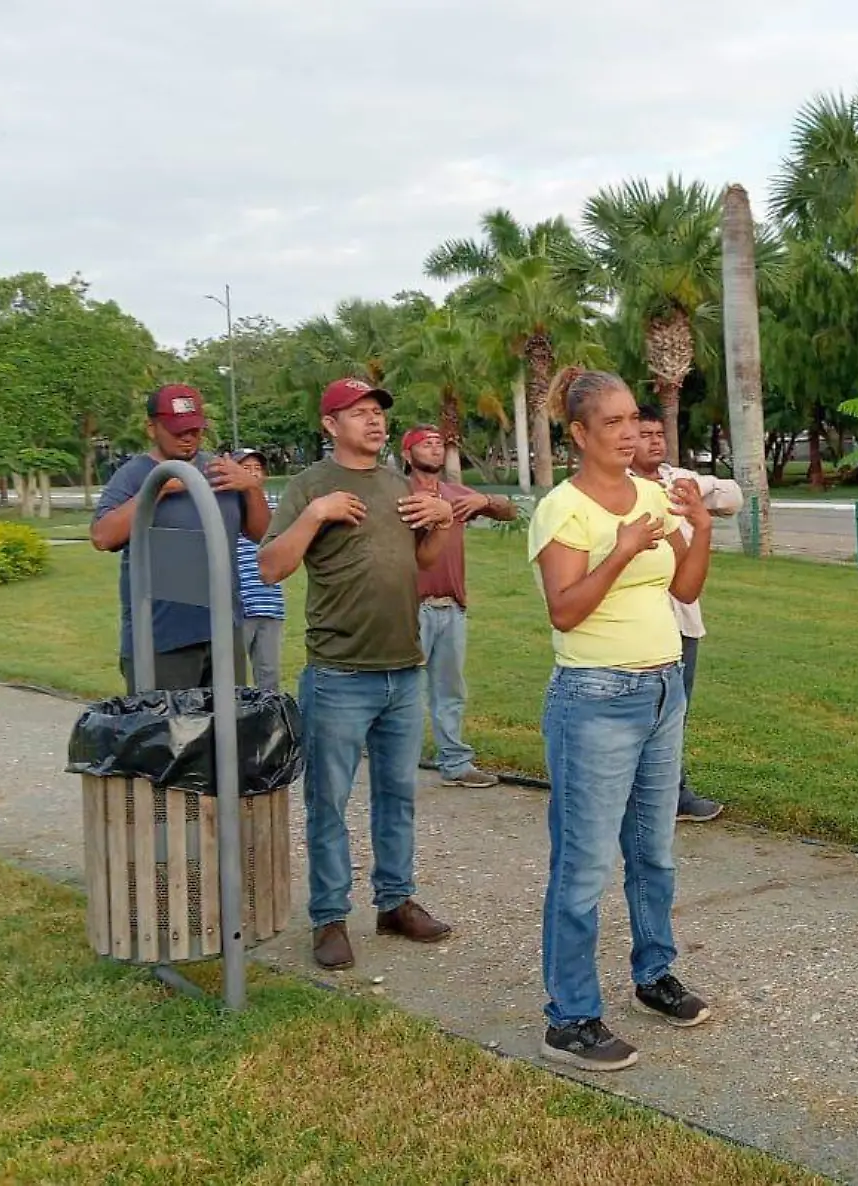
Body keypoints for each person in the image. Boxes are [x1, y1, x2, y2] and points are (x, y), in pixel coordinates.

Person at [529, 366, 715, 1072]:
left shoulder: (649, 495)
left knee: (655, 853)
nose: (630, 431)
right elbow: (566, 609)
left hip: (663, 690)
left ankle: (654, 974)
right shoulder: (564, 509)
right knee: (582, 866)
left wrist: (697, 527)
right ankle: (570, 1016)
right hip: (595, 699)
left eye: (634, 417)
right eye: (612, 422)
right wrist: (623, 549)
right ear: (578, 433)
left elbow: (684, 586)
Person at [258, 377, 460, 972]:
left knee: (398, 797)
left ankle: (394, 902)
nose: (375, 422)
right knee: (329, 802)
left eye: (378, 413)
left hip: (403, 669)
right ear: (330, 425)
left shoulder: (398, 484)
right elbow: (271, 566)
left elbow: (421, 562)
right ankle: (329, 918)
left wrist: (440, 521)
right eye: (358, 413)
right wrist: (316, 515)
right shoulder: (309, 486)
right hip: (339, 674)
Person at [91, 385, 267, 693]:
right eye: (177, 431)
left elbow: (261, 533)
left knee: (228, 735)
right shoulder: (135, 474)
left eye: (194, 430)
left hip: (223, 632)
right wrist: (157, 489)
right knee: (166, 736)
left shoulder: (220, 470)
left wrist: (250, 488)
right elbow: (102, 536)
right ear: (152, 428)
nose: (188, 438)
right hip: (161, 641)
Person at [631, 403, 742, 823]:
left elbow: (733, 496)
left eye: (659, 434)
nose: (654, 441)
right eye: (645, 434)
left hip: (683, 616)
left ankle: (672, 793)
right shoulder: (618, 487)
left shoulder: (679, 479)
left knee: (675, 710)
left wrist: (698, 497)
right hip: (640, 616)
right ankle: (640, 794)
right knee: (639, 710)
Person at [401, 424, 519, 788]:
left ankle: (455, 763)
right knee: (404, 691)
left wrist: (484, 502)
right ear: (407, 454)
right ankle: (398, 766)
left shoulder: (455, 494)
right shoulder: (400, 493)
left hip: (451, 606)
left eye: (439, 444)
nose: (435, 449)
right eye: (426, 444)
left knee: (450, 690)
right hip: (410, 607)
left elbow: (510, 511)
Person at [231, 449, 285, 692]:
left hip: (269, 603)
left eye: (257, 469)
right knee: (232, 677)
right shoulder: (226, 509)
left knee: (269, 676)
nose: (253, 474)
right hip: (237, 607)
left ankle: (268, 724)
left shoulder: (273, 507)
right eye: (245, 468)